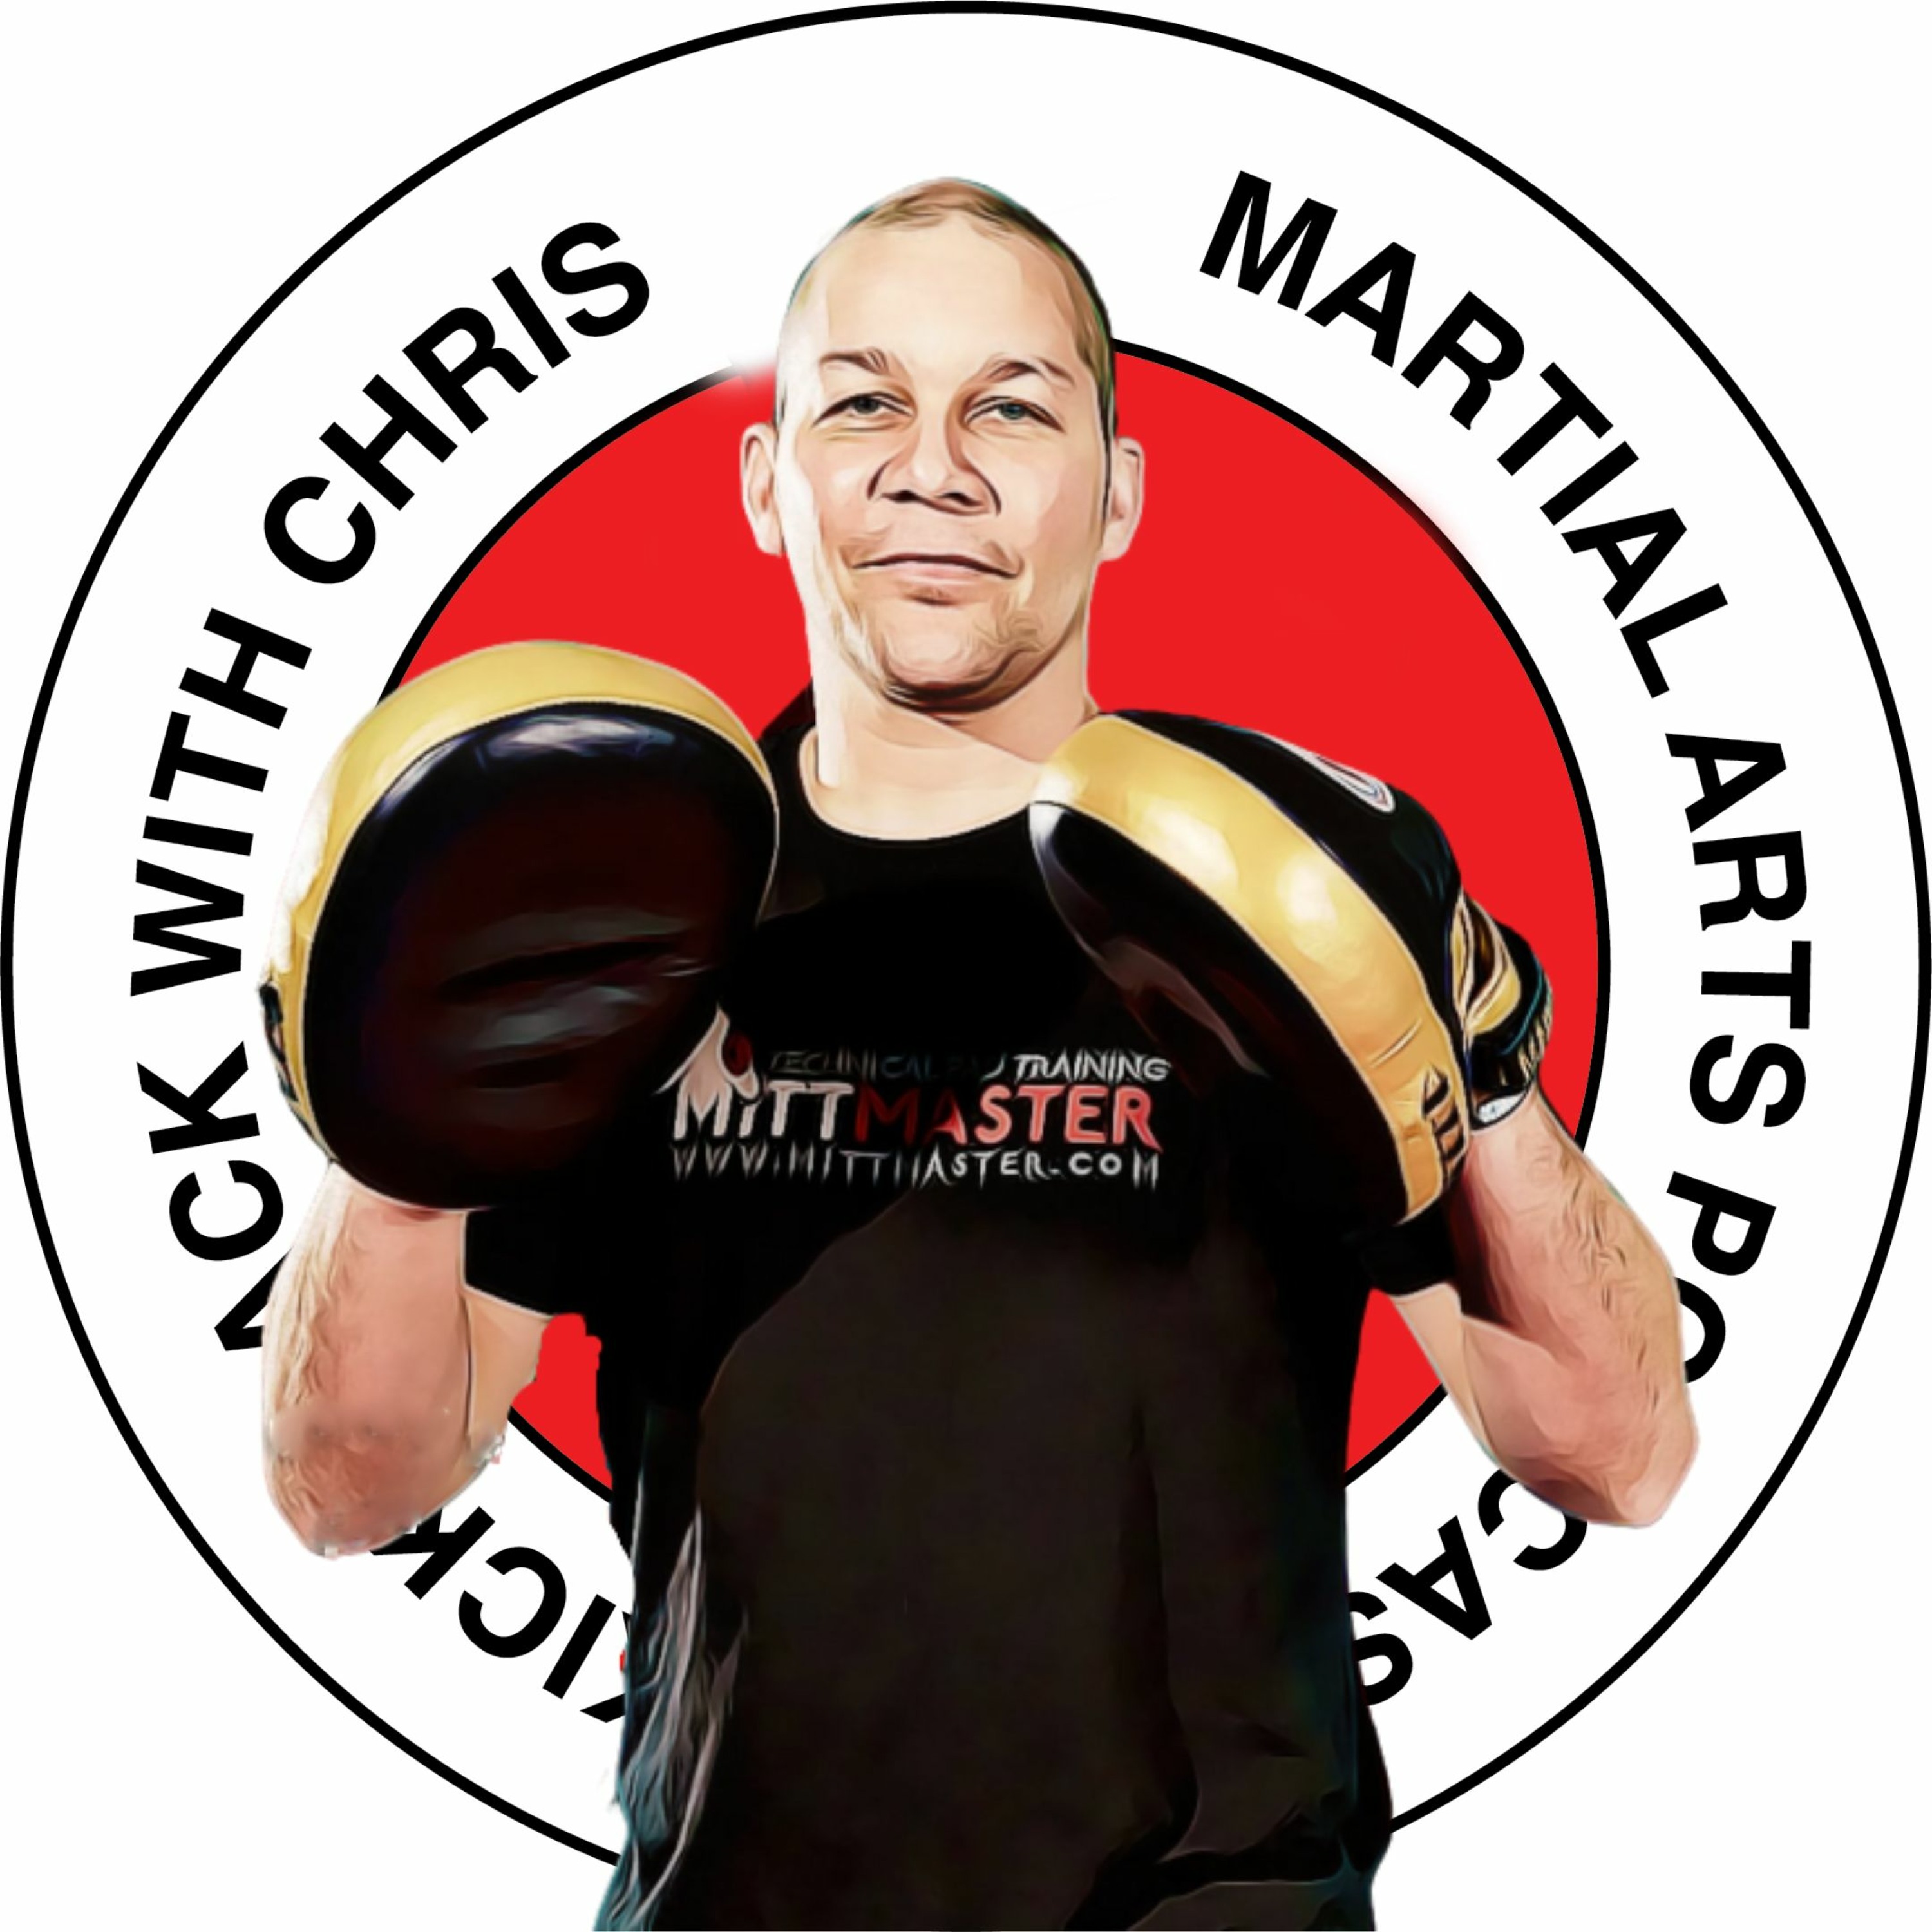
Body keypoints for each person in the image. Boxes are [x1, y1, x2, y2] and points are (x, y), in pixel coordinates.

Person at [260, 180, 1696, 1930]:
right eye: (863, 402)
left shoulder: (1263, 902)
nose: (930, 467)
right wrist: (398, 1136)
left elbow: (1616, 1456)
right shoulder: (621, 894)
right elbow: (349, 1489)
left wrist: (1484, 1050)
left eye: (1010, 409)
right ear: (766, 483)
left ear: (1120, 491)